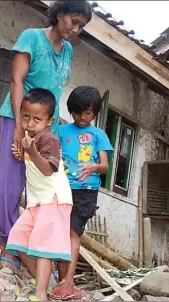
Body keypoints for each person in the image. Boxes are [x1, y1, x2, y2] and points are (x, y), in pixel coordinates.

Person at [0, 0, 93, 273]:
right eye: (74, 21)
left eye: (81, 26)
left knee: (42, 190)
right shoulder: (32, 38)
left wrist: (55, 130)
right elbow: (17, 81)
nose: (76, 29)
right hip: (20, 119)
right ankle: (4, 242)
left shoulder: (68, 50)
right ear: (59, 14)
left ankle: (27, 244)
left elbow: (55, 91)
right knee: (11, 183)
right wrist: (17, 126)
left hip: (48, 130)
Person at [6, 88, 73, 302]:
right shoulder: (30, 137)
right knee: (17, 238)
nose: (30, 123)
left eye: (37, 119)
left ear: (49, 121)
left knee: (43, 248)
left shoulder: (49, 140)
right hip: (37, 203)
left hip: (53, 200)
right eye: (26, 116)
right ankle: (45, 281)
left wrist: (31, 152)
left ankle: (41, 294)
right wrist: (23, 152)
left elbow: (47, 169)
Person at [50, 86, 113, 300]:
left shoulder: (98, 134)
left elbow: (105, 166)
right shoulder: (63, 129)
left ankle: (69, 280)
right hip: (62, 187)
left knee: (72, 233)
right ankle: (63, 281)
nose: (83, 117)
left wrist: (93, 167)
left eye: (88, 112)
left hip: (85, 192)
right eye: (77, 113)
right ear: (71, 111)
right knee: (61, 233)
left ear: (95, 112)